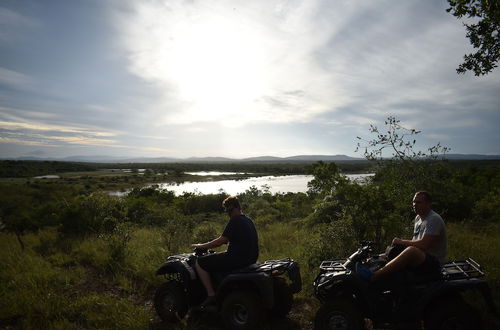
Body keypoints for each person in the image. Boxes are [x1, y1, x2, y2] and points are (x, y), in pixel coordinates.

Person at [356, 191, 447, 281]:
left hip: (434, 263)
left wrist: (401, 242)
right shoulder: (418, 218)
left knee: (411, 250)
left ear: (428, 204)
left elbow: (423, 245)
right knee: (389, 252)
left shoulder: (434, 219)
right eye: (414, 202)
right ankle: (366, 268)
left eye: (418, 202)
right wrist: (387, 253)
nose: (414, 205)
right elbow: (415, 241)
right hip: (421, 258)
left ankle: (375, 276)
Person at [191, 195, 259, 307]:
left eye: (230, 210)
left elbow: (220, 241)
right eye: (227, 211)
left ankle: (211, 294)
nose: (228, 213)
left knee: (200, 263)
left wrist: (202, 246)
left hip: (236, 259)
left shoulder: (235, 221)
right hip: (250, 259)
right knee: (216, 257)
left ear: (237, 207)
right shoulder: (248, 220)